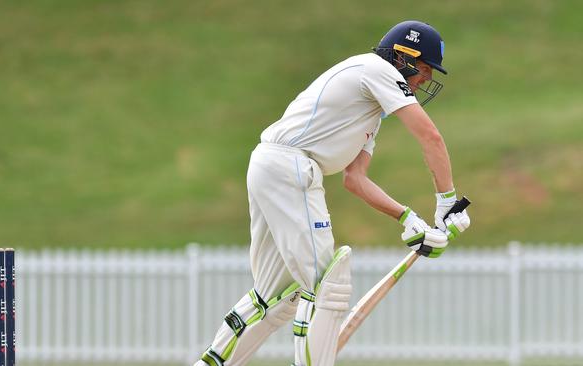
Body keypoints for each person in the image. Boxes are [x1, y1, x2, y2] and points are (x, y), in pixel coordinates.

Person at [194, 20, 471, 366]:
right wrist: (446, 202)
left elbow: (355, 179)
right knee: (328, 285)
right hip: (292, 167)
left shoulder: (369, 112)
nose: (426, 80)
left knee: (277, 296)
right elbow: (430, 137)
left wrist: (407, 218)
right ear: (403, 58)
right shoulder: (377, 69)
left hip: (271, 166)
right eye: (425, 69)